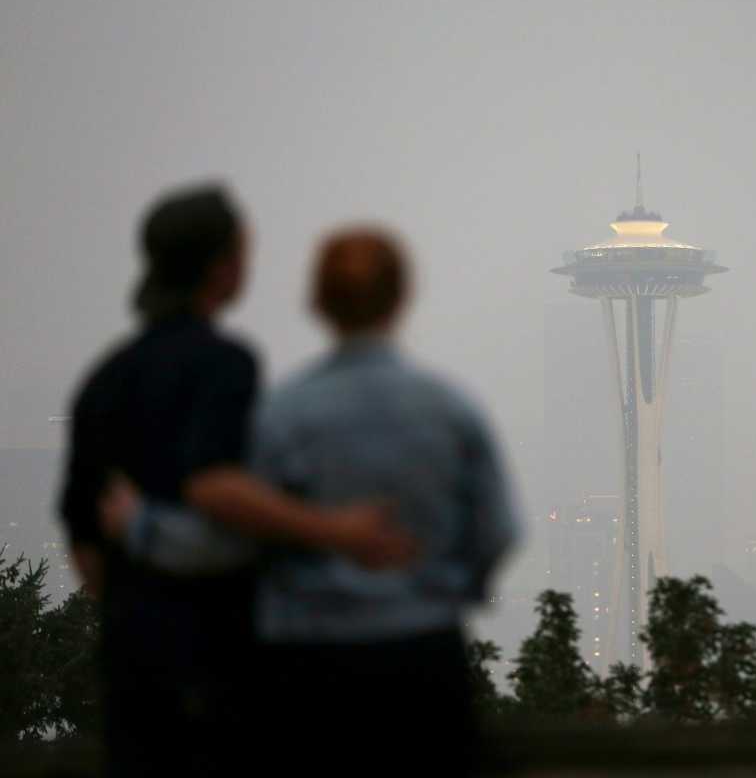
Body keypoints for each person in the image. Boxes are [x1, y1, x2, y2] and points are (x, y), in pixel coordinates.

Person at [106, 225, 521, 774]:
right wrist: (441, 589)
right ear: (403, 297)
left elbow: (230, 539)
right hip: (424, 662)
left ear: (318, 302)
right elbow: (499, 529)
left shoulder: (282, 414)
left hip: (308, 669)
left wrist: (143, 528)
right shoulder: (451, 411)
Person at [58, 184, 415, 777]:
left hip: (130, 667)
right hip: (219, 663)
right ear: (222, 270)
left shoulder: (104, 380)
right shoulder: (224, 364)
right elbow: (213, 486)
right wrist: (335, 531)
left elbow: (85, 542)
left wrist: (139, 602)